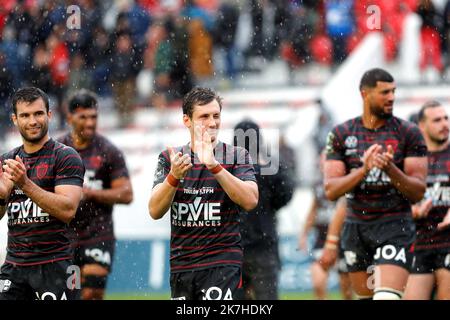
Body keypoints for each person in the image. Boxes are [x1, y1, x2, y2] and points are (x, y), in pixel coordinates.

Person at [324, 68, 428, 300]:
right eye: (384, 92)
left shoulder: (409, 133)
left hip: (394, 226)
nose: (391, 97)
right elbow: (331, 190)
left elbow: (418, 191)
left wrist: (390, 169)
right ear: (365, 94)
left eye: (393, 91)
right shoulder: (341, 134)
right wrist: (364, 169)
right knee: (368, 298)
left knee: (386, 297)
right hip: (356, 228)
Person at [148, 87, 258, 300]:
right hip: (182, 266)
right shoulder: (171, 159)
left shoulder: (236, 155)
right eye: (204, 116)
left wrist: (214, 166)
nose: (212, 122)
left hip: (222, 263)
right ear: (187, 120)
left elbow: (251, 200)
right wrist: (174, 177)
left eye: (216, 116)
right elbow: (154, 210)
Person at [0, 87, 84, 300]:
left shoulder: (65, 157)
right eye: (25, 115)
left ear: (49, 114)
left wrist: (25, 184)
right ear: (14, 119)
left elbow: (68, 210)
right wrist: (2, 195)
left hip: (56, 264)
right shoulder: (6, 161)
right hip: (14, 267)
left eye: (38, 113)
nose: (32, 121)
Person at [58, 89, 133, 300]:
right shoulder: (57, 151)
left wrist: (90, 194)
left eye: (93, 117)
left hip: (98, 235)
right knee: (72, 294)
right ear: (70, 116)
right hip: (66, 238)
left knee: (92, 292)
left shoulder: (108, 151)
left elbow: (126, 194)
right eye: (83, 117)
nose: (90, 123)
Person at [233, 119, 295, 300]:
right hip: (264, 242)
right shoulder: (271, 166)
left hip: (233, 245)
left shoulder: (227, 168)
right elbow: (286, 194)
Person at [404, 100, 450, 300]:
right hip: (420, 242)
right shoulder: (412, 159)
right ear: (422, 126)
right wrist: (411, 212)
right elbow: (396, 201)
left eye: (446, 118)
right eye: (437, 120)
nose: (445, 124)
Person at [300, 151, 352, 300]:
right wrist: (303, 234)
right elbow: (313, 209)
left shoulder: (346, 182)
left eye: (326, 159)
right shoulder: (317, 184)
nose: (323, 163)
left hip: (344, 240)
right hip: (321, 238)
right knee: (318, 282)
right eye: (322, 159)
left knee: (346, 290)